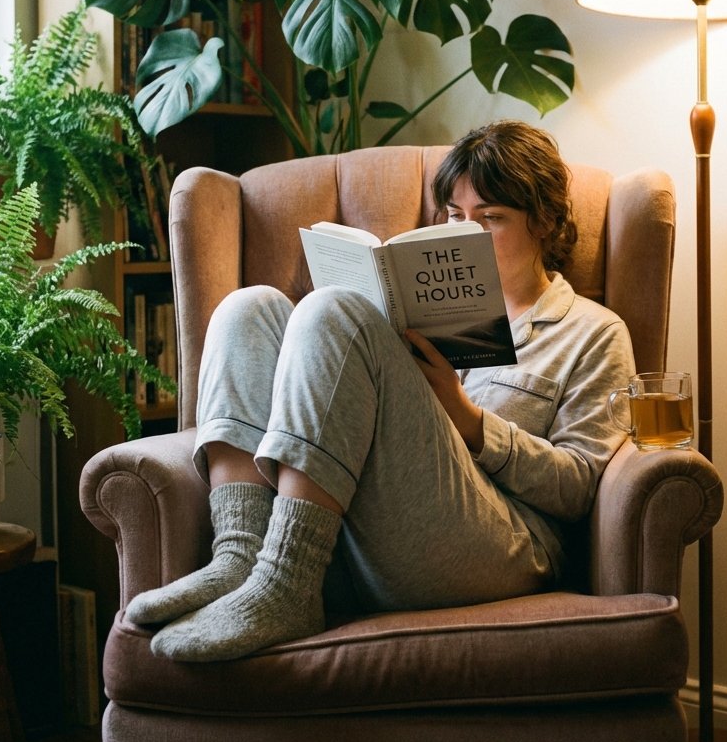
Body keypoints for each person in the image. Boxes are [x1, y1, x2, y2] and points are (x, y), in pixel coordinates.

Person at [126, 119, 636, 662]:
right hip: (368, 529)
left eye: (491, 218)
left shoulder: (594, 332)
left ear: (546, 223)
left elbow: (581, 487)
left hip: (498, 548)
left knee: (333, 311)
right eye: (455, 216)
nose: (467, 236)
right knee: (246, 309)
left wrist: (471, 423)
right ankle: (240, 558)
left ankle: (286, 582)